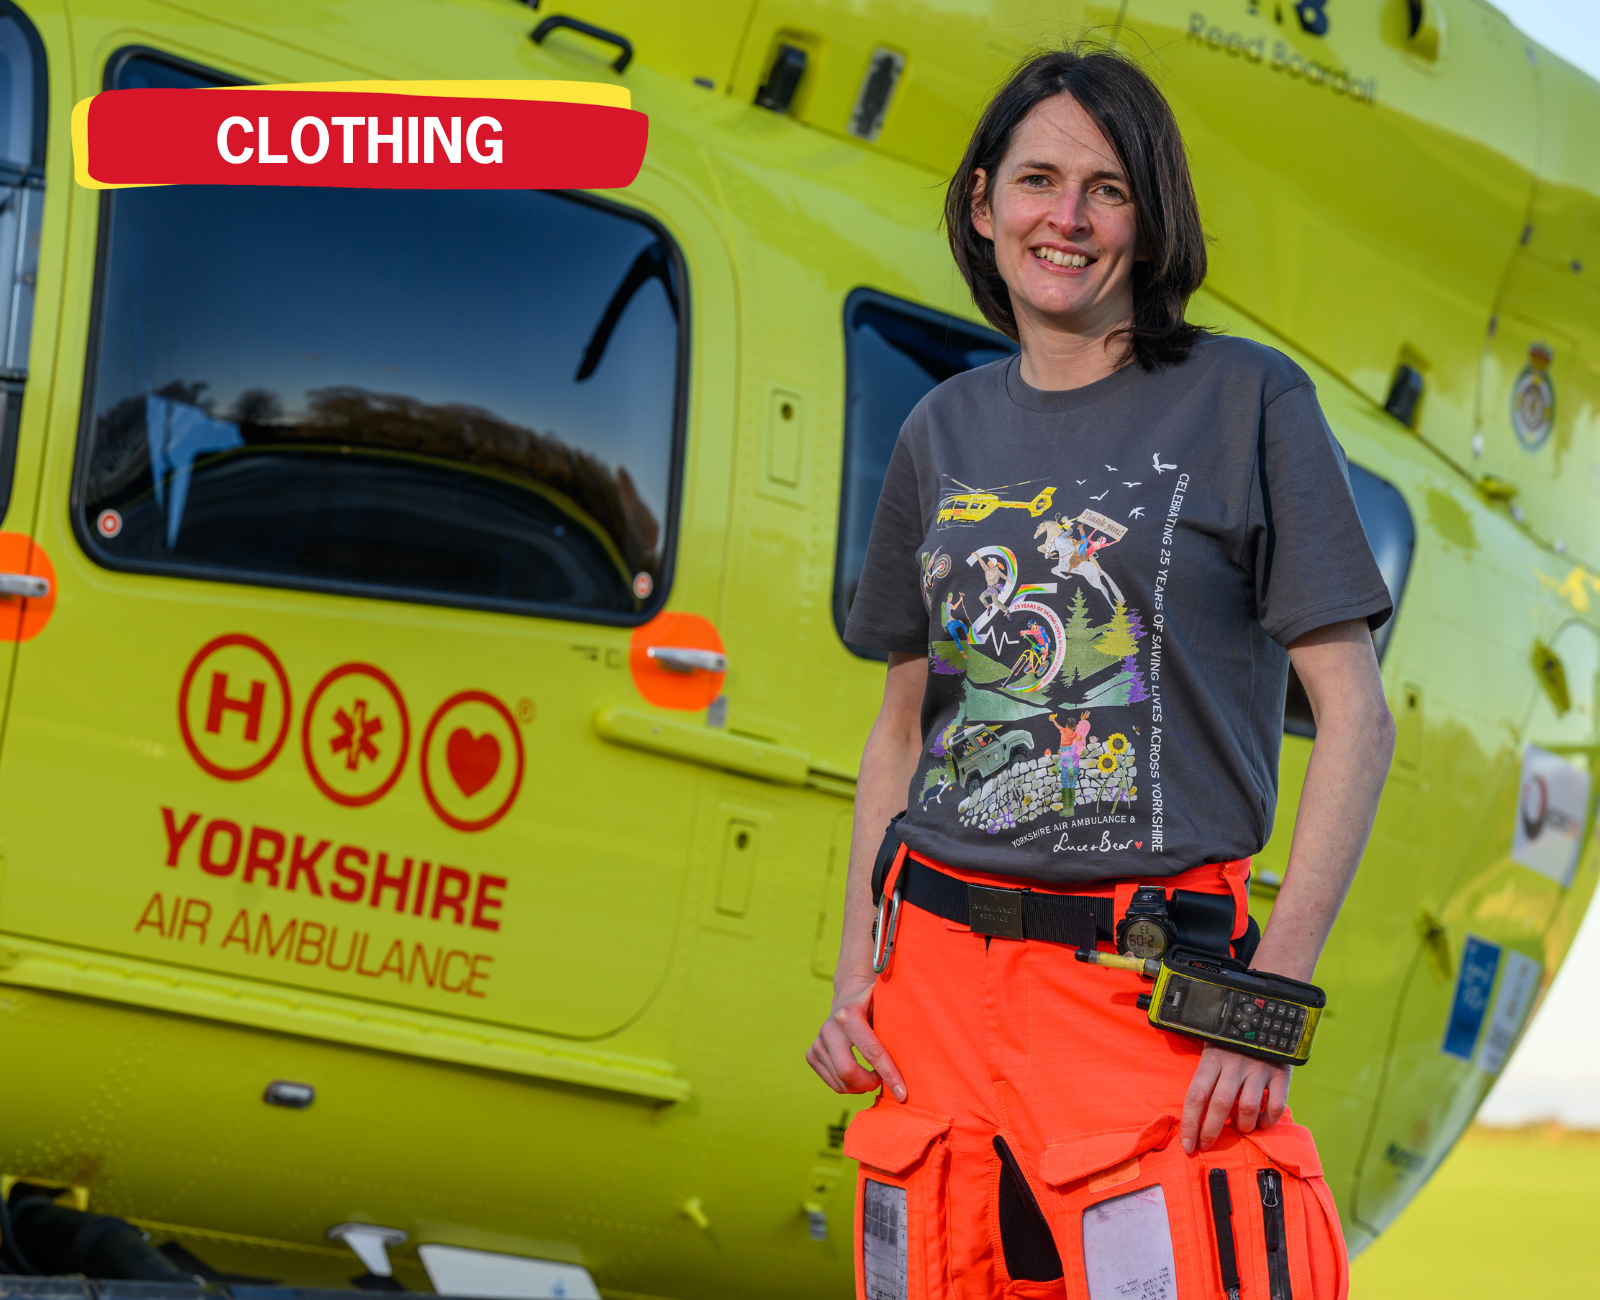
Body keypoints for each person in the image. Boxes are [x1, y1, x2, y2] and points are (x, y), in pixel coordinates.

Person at [806, 44, 1394, 1300]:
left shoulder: (1247, 399)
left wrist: (1269, 995)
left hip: (1142, 989)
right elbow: (904, 725)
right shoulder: (940, 430)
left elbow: (1355, 716)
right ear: (981, 204)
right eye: (1034, 180)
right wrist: (857, 968)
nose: (1063, 219)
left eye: (1106, 189)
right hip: (934, 996)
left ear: (1151, 216)